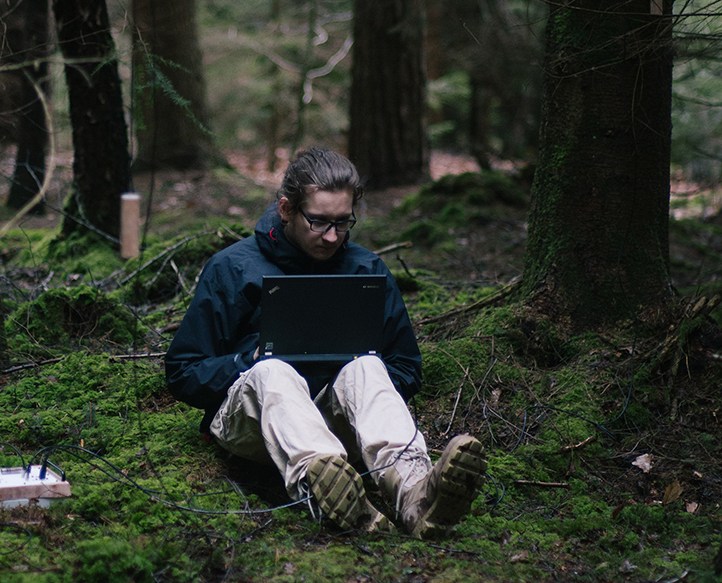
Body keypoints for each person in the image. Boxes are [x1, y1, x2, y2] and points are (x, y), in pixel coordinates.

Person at [165, 147, 486, 538]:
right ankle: (325, 486)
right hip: (253, 424)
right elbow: (183, 370)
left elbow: (405, 367)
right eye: (318, 222)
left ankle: (417, 493)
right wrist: (243, 362)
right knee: (272, 370)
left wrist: (351, 383)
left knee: (367, 365)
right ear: (286, 209)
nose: (332, 236)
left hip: (338, 424)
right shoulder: (233, 267)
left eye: (343, 222)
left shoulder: (365, 270)